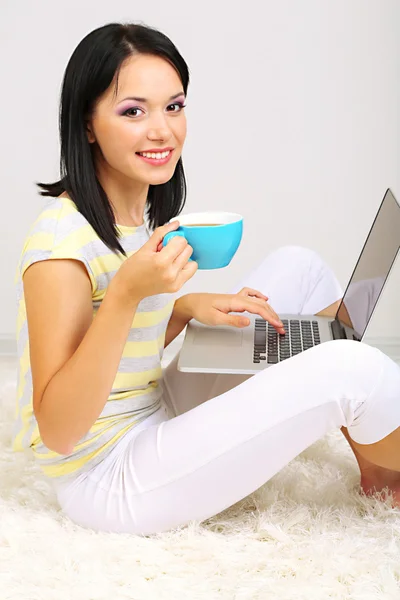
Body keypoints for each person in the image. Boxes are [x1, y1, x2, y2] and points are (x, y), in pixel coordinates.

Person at [13, 22, 400, 536]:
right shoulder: (60, 243)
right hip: (107, 475)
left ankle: (376, 460)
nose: (162, 131)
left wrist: (181, 308)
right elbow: (60, 429)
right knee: (354, 369)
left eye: (173, 106)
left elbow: (109, 339)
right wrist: (130, 293)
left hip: (154, 408)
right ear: (88, 124)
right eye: (134, 111)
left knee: (300, 265)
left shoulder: (132, 210)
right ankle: (385, 459)